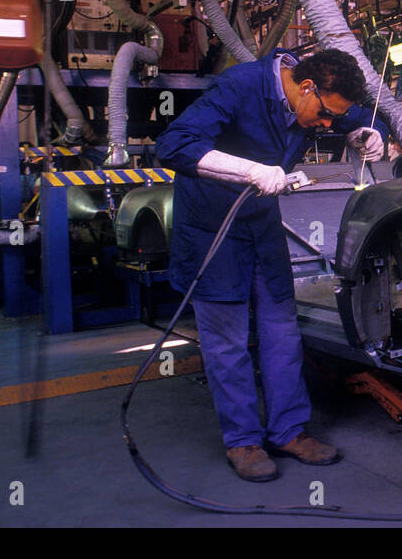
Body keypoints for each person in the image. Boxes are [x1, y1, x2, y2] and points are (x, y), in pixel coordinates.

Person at [156, 47, 387, 482]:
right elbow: (174, 145)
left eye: (332, 121)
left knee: (281, 331)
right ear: (305, 88)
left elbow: (356, 116)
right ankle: (242, 441)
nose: (326, 126)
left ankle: (288, 431)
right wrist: (250, 171)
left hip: (262, 227)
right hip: (213, 226)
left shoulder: (323, 95)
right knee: (227, 341)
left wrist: (371, 132)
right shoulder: (238, 86)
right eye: (324, 116)